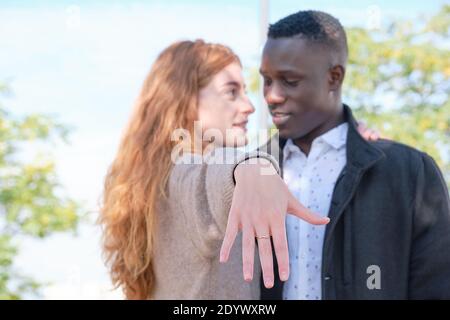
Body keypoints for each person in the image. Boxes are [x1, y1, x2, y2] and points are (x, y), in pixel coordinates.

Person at [99, 40, 334, 299]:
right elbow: (209, 179)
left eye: (244, 91)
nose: (249, 106)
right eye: (231, 92)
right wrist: (250, 168)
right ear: (186, 100)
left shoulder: (155, 180)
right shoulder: (184, 175)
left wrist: (348, 139)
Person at [243, 10, 450, 300]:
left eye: (289, 81)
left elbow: (437, 288)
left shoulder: (409, 172)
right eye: (266, 80)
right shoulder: (247, 173)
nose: (272, 96)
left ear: (334, 77)